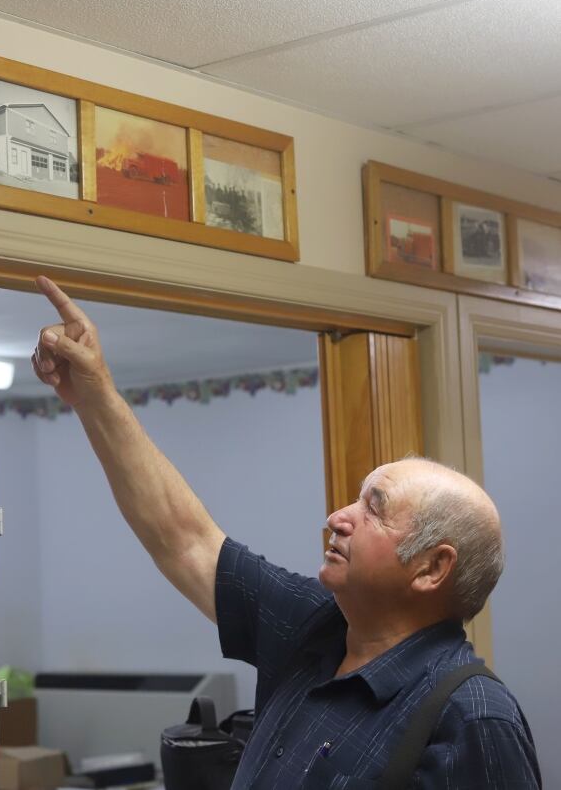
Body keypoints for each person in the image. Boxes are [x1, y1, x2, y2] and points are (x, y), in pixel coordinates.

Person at [31, 276, 541, 789]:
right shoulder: (311, 630)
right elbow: (184, 537)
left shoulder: (472, 718)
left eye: (373, 509)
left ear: (432, 567)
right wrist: (95, 396)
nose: (337, 517)